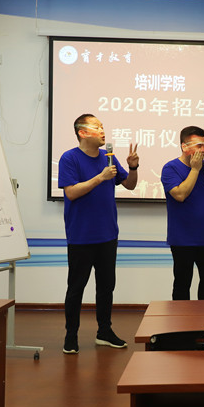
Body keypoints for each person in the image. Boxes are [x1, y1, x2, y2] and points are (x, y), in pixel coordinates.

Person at [58, 114, 138, 354]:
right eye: (97, 127)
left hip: (108, 234)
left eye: (103, 127)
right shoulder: (69, 158)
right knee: (76, 288)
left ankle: (104, 332)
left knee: (106, 287)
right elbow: (71, 192)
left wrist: (133, 167)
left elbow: (130, 185)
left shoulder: (108, 157)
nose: (103, 131)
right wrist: (100, 177)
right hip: (81, 236)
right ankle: (71, 336)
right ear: (82, 132)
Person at [161, 126, 204, 300]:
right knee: (182, 283)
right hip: (182, 239)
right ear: (184, 146)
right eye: (199, 146)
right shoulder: (170, 168)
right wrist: (195, 170)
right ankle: (181, 319)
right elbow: (180, 195)